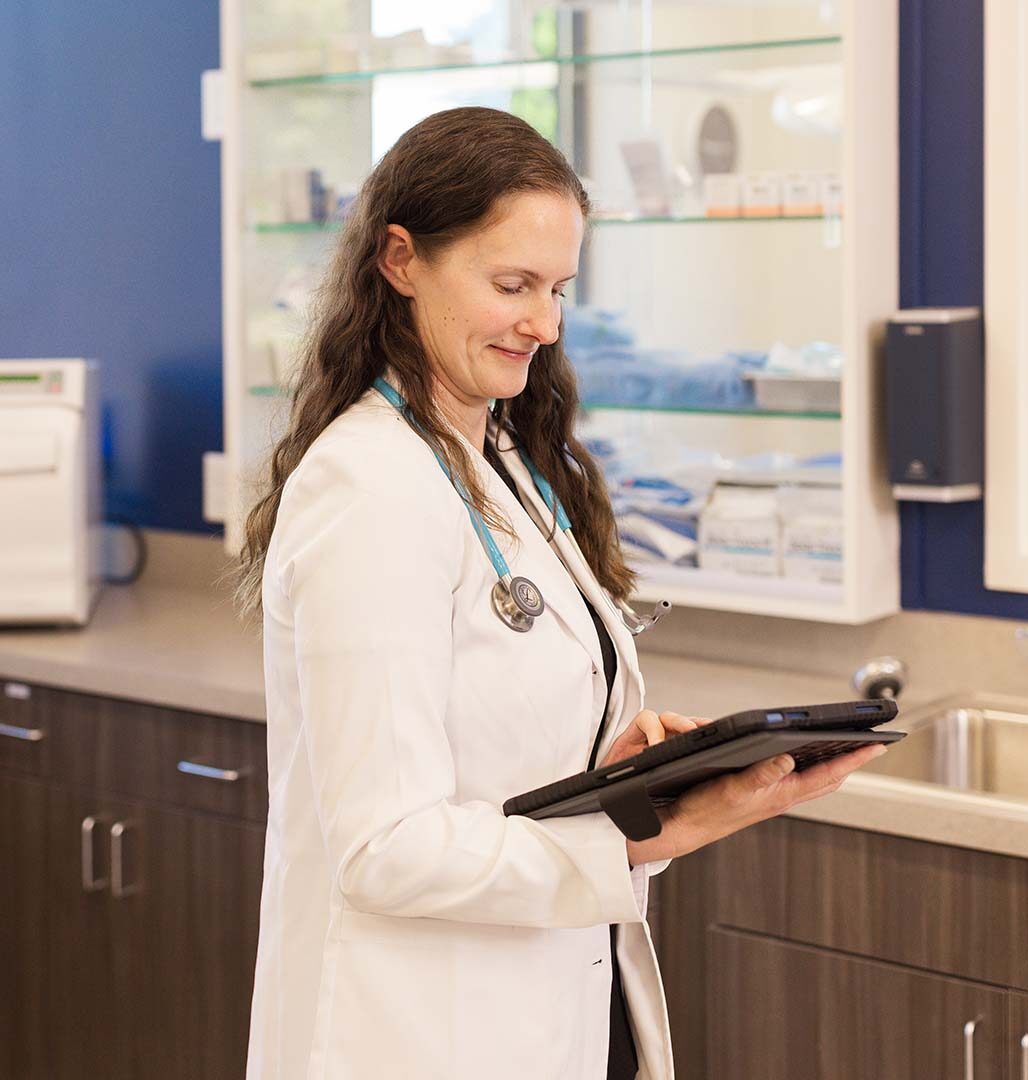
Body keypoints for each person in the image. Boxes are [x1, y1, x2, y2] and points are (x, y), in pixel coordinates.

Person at [236, 106, 887, 1080]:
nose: (545, 324)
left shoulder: (490, 455)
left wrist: (620, 774)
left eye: (557, 288)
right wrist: (654, 833)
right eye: (512, 285)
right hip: (416, 1035)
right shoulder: (368, 488)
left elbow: (501, 757)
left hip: (549, 1007)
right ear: (401, 260)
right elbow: (385, 849)